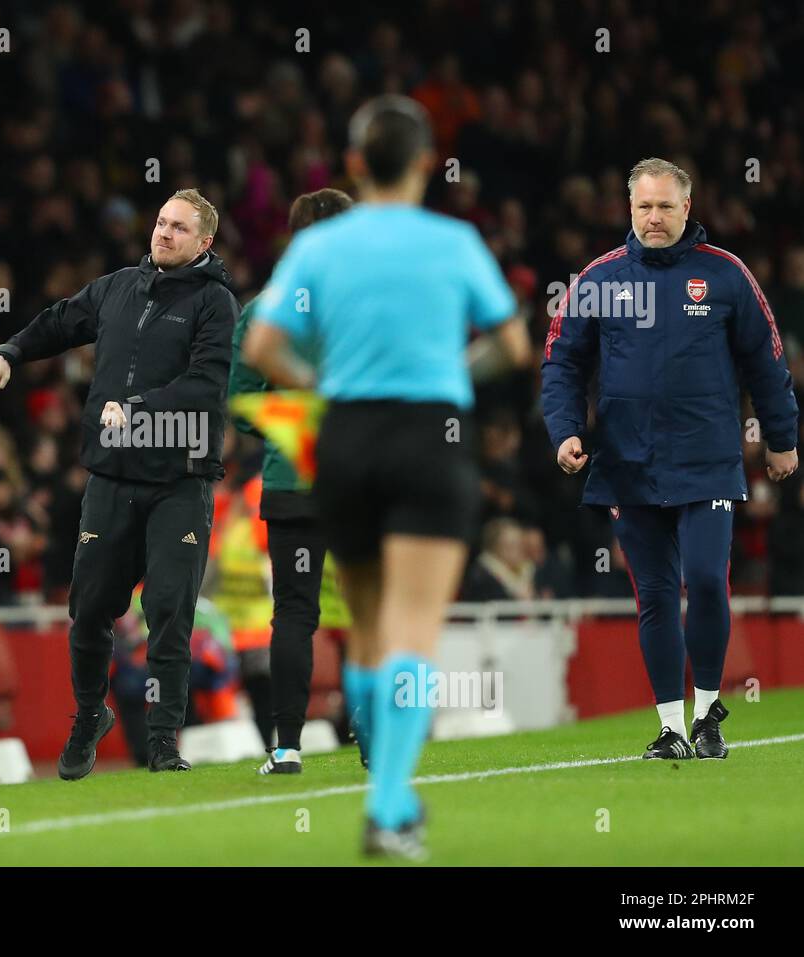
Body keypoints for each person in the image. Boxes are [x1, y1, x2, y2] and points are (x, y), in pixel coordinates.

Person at [243, 96, 530, 857]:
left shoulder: (319, 249)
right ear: (428, 163)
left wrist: (325, 384)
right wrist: (455, 374)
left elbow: (266, 346)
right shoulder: (455, 239)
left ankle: (379, 798)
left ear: (355, 165)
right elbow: (513, 341)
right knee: (413, 629)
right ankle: (389, 803)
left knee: (366, 630)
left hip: (346, 437)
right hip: (430, 435)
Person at [541, 157, 799, 760]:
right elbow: (561, 364)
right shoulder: (599, 280)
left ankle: (708, 714)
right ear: (628, 210)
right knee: (655, 595)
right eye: (643, 207)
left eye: (664, 206)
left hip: (707, 460)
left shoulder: (727, 275)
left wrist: (782, 439)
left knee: (707, 581)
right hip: (627, 465)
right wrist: (564, 432)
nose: (653, 218)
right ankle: (671, 727)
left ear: (688, 207)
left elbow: (767, 362)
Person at [0, 188, 240, 777]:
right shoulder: (118, 287)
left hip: (180, 478)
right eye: (160, 222)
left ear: (204, 243)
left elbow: (206, 385)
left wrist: (140, 407)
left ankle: (165, 739)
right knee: (90, 607)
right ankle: (88, 717)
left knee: (170, 610)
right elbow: (61, 321)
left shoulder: (216, 303)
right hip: (113, 475)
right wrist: (11, 351)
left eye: (178, 228)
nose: (164, 233)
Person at [228, 186, 354, 774]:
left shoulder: (266, 309)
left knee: (295, 613)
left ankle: (286, 747)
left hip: (293, 483)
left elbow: (237, 401)